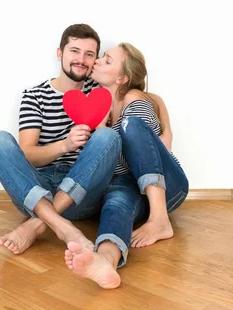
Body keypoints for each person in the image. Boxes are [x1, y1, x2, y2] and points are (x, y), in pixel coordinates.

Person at [0, 24, 121, 255]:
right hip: (36, 193)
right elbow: (28, 156)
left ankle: (38, 224)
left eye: (89, 54)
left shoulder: (101, 93)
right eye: (74, 51)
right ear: (60, 53)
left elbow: (136, 90)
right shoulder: (34, 96)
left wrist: (164, 122)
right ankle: (62, 226)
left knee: (108, 136)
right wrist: (65, 145)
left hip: (83, 196)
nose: (81, 59)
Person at [64, 42, 190, 289]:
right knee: (116, 201)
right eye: (101, 57)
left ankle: (160, 220)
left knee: (129, 127)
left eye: (107, 60)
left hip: (168, 186)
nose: (97, 61)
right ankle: (106, 260)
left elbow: (140, 155)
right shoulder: (102, 104)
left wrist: (102, 133)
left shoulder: (134, 99)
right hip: (132, 187)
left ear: (122, 78)